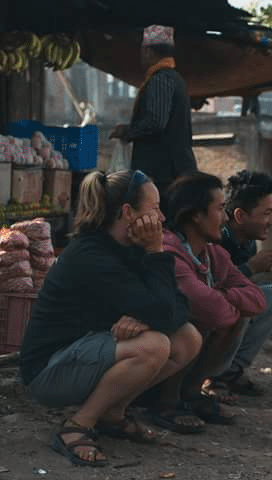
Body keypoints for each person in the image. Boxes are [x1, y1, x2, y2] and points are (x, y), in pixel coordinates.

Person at [20, 169, 202, 466]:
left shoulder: (129, 247)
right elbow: (165, 310)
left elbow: (180, 307)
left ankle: (112, 414)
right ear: (128, 212)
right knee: (154, 345)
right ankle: (77, 425)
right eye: (155, 209)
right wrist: (157, 253)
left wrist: (146, 316)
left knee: (187, 338)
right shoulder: (92, 255)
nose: (162, 219)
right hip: (49, 370)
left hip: (87, 351)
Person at [160, 172, 267, 424]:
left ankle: (191, 392)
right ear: (195, 215)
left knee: (234, 316)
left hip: (190, 340)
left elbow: (258, 300)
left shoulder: (213, 254)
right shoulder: (169, 251)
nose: (226, 218)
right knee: (199, 322)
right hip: (156, 353)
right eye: (220, 209)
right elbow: (215, 311)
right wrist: (223, 300)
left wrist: (220, 296)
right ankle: (164, 402)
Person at [202, 170, 272, 399]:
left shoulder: (247, 242)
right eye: (267, 213)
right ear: (239, 216)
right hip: (205, 319)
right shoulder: (215, 239)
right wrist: (251, 268)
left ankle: (231, 370)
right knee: (241, 303)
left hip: (227, 312)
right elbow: (209, 291)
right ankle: (211, 376)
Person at [110, 25, 197, 196]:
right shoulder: (174, 78)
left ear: (149, 52)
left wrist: (127, 132)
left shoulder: (161, 79)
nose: (141, 56)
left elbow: (155, 122)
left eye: (143, 51)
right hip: (174, 171)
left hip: (164, 174)